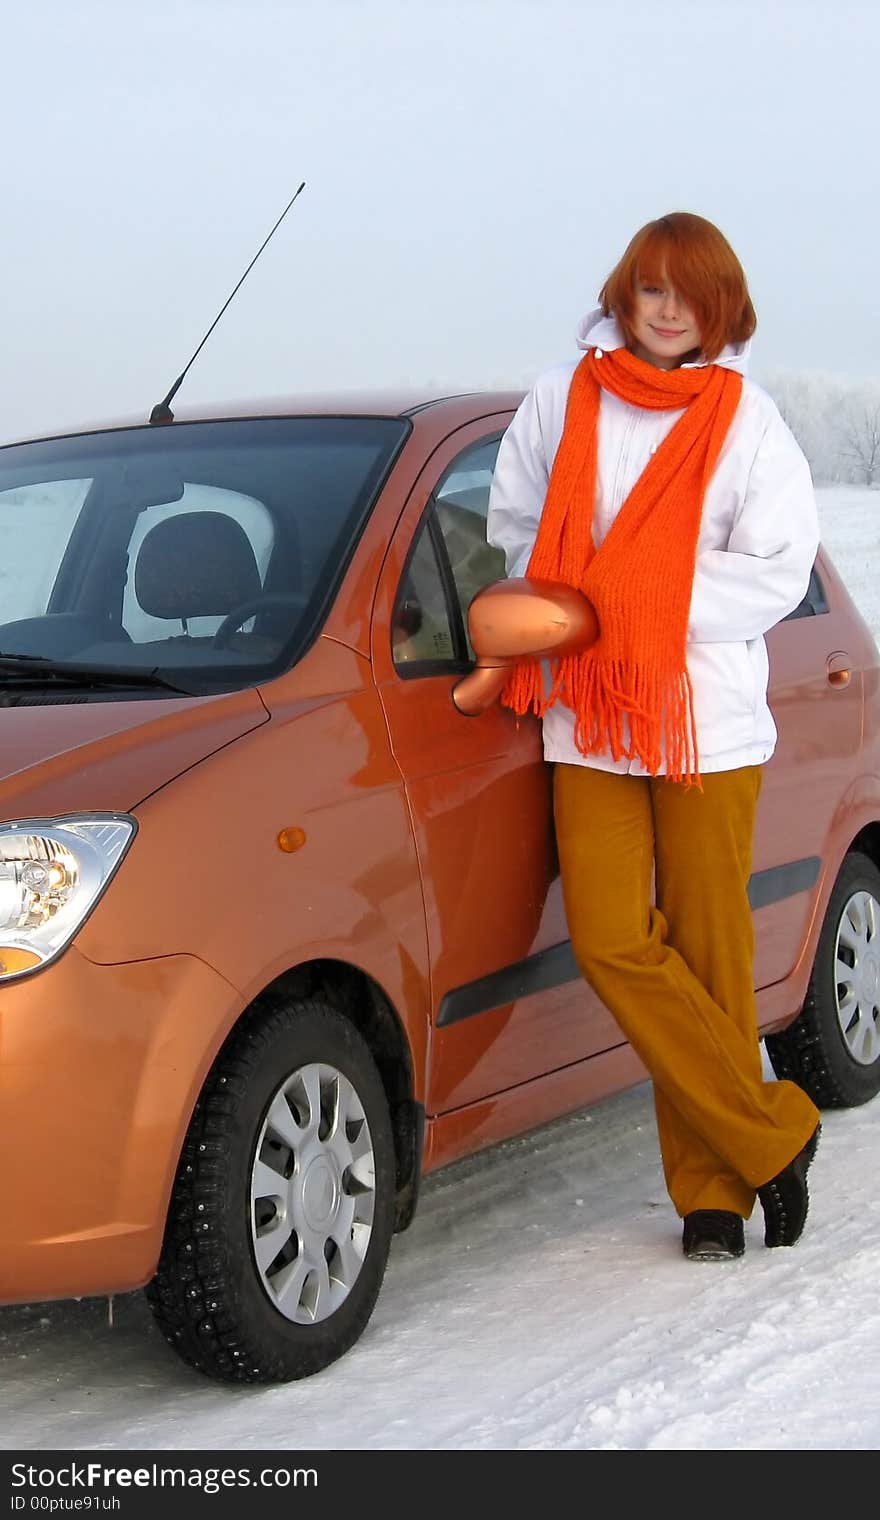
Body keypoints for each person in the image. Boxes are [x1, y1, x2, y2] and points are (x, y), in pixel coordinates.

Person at [485, 211, 822, 1261]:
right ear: (624, 291)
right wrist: (575, 604)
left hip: (704, 720)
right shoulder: (561, 397)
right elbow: (512, 527)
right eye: (650, 286)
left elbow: (775, 568)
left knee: (713, 956)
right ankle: (773, 1130)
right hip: (587, 715)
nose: (667, 308)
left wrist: (635, 595)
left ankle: (710, 1194)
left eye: (688, 291)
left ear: (720, 306)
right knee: (612, 940)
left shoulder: (747, 420)